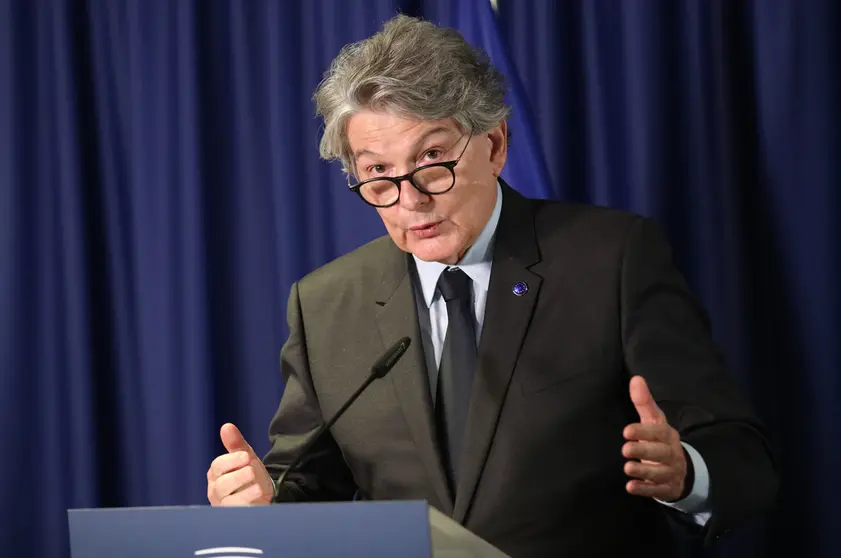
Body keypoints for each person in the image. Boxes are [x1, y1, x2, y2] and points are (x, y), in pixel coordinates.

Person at [205, 14, 777, 557]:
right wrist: (265, 503)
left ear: (495, 145)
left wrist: (686, 476)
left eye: (431, 158)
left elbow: (744, 464)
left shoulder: (612, 260)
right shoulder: (327, 303)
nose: (410, 201)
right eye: (378, 174)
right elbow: (309, 485)